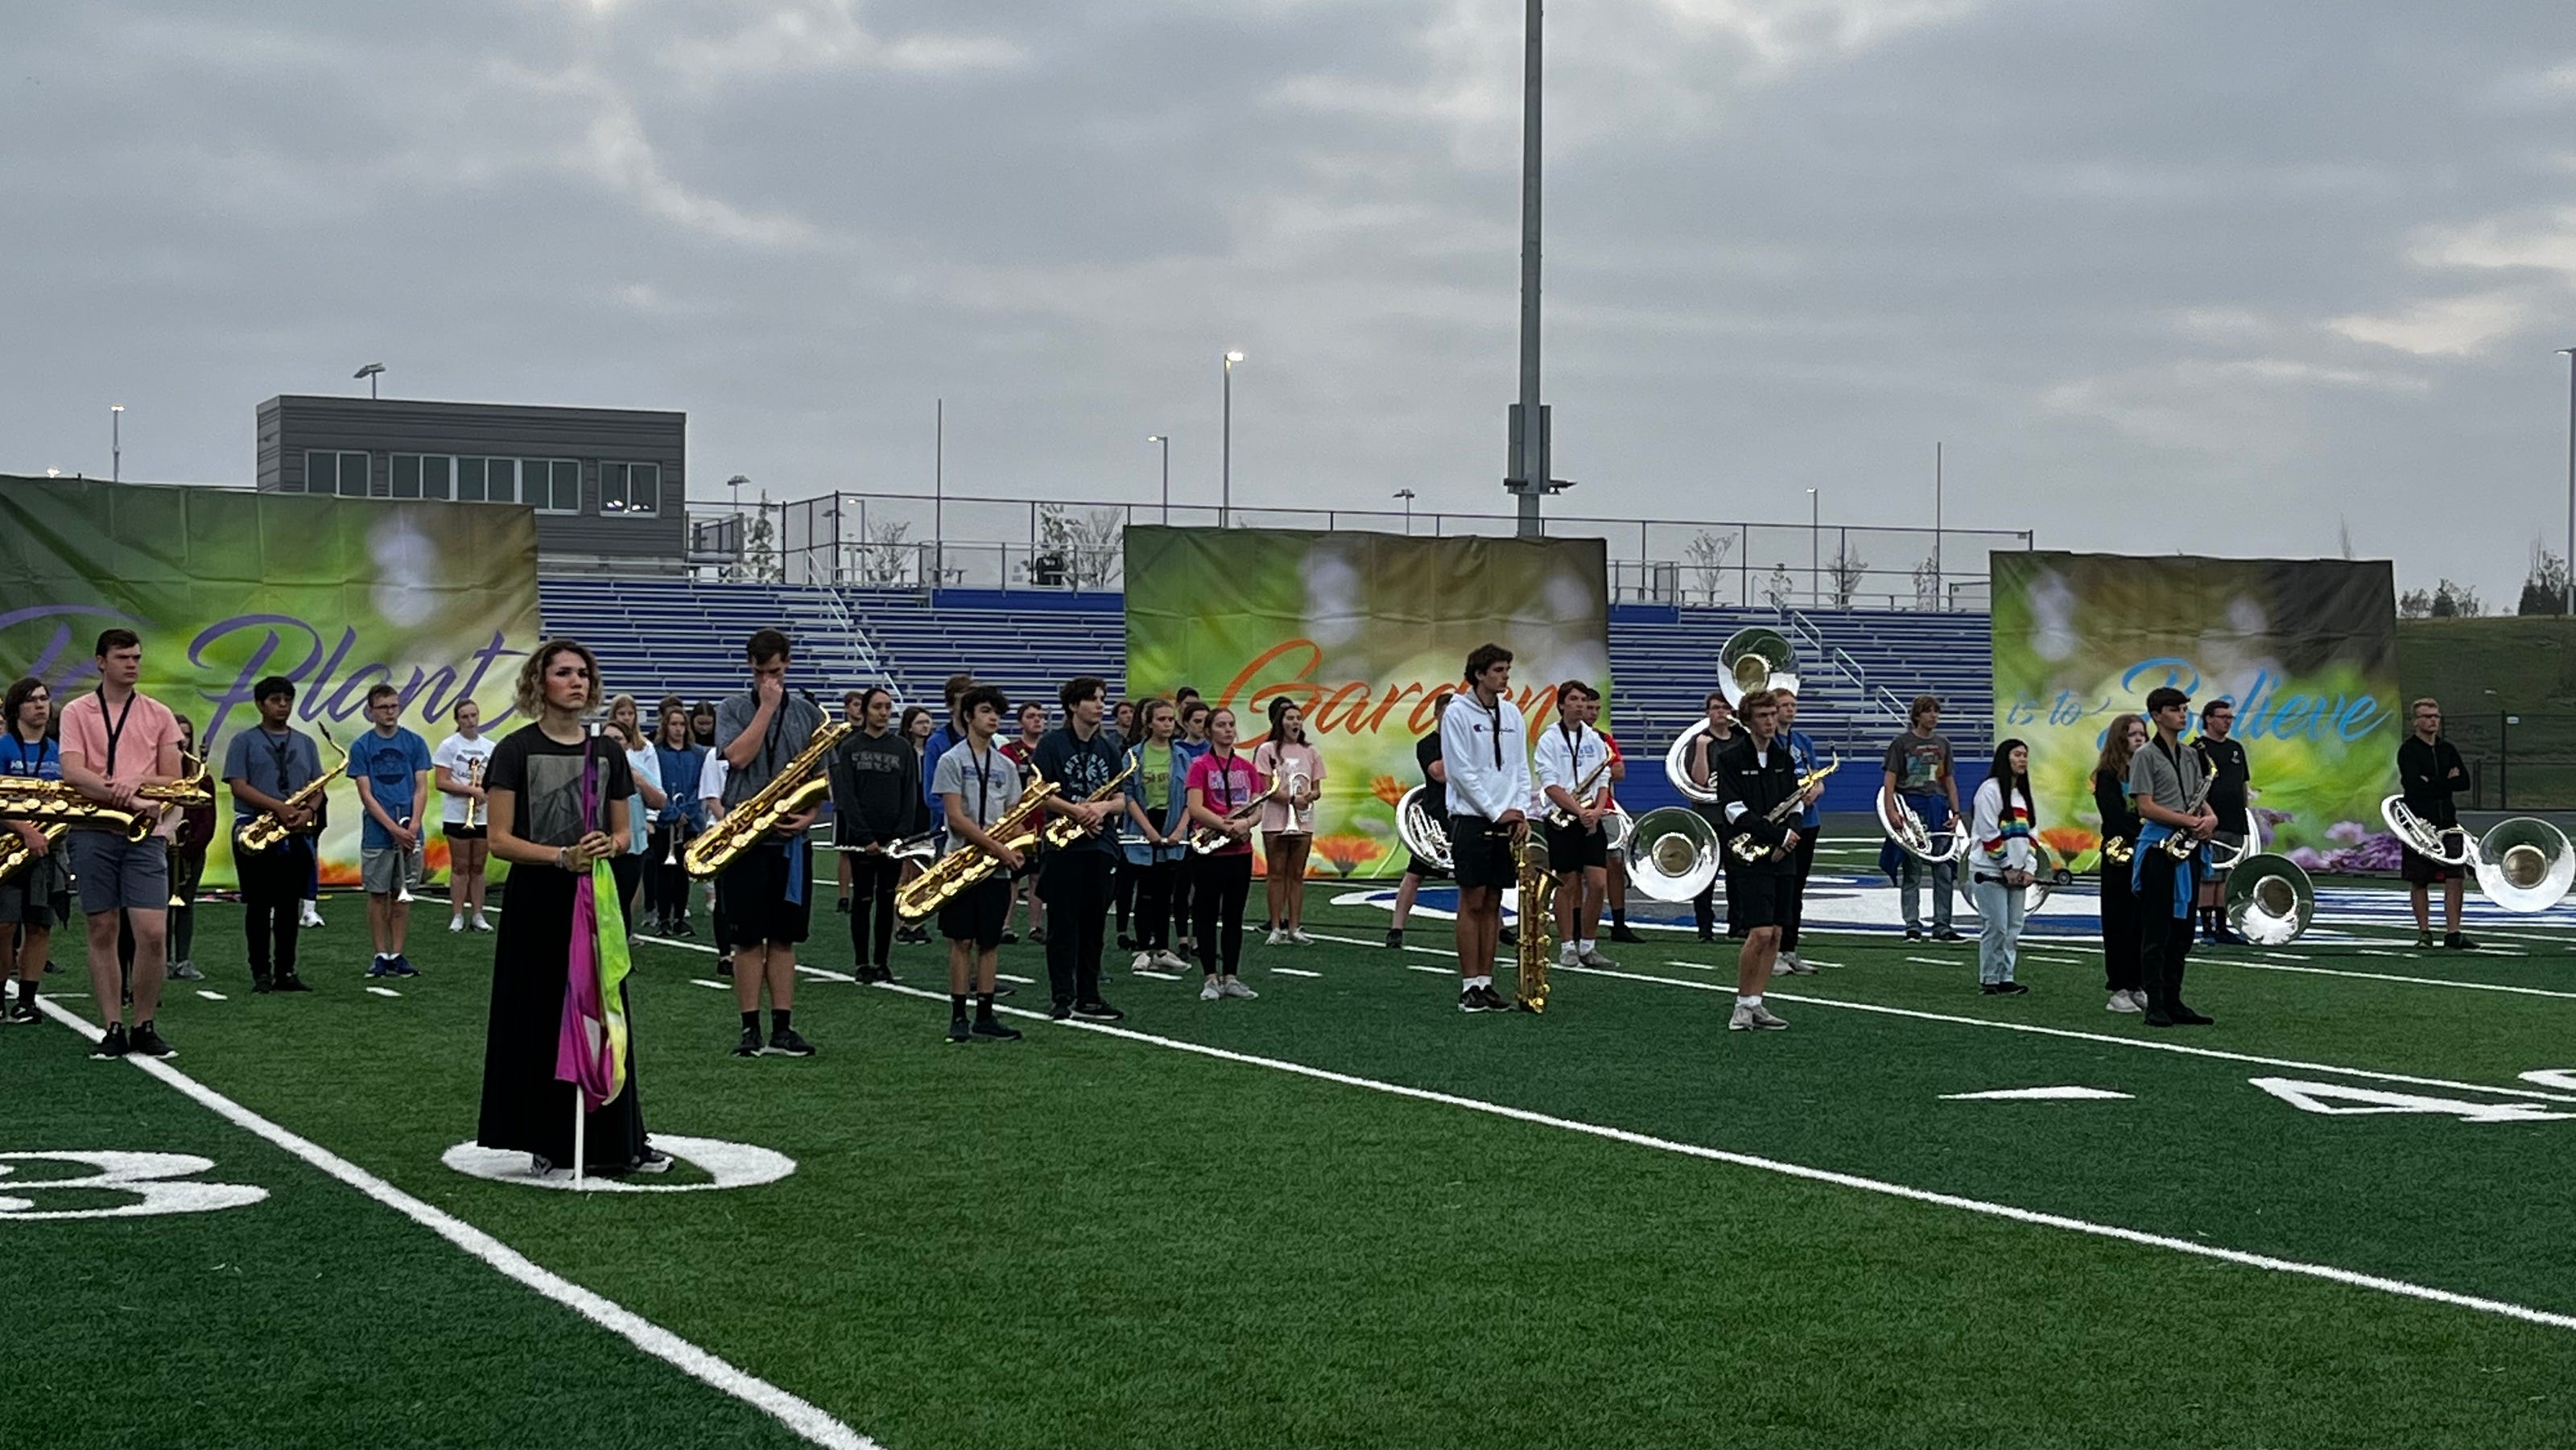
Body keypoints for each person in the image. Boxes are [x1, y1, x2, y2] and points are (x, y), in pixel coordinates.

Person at [477, 638, 663, 1175]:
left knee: (605, 1014)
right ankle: (545, 1136)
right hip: (538, 901)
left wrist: (610, 844)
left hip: (594, 901)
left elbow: (626, 831)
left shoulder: (606, 753)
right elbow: (501, 841)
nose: (576, 681)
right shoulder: (513, 750)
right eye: (563, 672)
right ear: (540, 682)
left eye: (583, 673)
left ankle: (621, 1136)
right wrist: (561, 855)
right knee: (539, 1014)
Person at [56, 628, 186, 1060]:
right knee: (102, 927)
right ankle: (112, 1025)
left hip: (144, 833)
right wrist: (121, 793)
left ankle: (144, 1023)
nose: (132, 664)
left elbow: (175, 779)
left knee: (151, 933)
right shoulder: (77, 711)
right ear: (101, 661)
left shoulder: (158, 713)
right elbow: (72, 771)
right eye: (123, 657)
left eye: (136, 657)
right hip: (93, 830)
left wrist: (140, 782)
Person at [714, 628, 826, 1057]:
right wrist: (766, 708)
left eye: (776, 672)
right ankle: (749, 1028)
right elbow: (738, 756)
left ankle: (783, 1025)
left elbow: (822, 777)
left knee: (784, 937)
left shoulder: (809, 714)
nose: (769, 680)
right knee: (747, 938)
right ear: (751, 668)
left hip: (791, 842)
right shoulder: (733, 708)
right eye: (762, 673)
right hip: (744, 840)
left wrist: (811, 815)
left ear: (788, 664)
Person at [1441, 644, 1532, 1013]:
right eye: (1498, 670)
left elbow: (1520, 769)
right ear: (1479, 673)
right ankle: (1468, 985)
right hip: (1472, 817)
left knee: (1495, 902)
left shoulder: (1512, 713)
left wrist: (1521, 812)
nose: (1505, 676)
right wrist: (1496, 811)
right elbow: (1461, 772)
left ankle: (1487, 982)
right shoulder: (1457, 713)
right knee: (1473, 899)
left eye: (1507, 670)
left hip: (1507, 818)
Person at [932, 685, 1026, 1043]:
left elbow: (1014, 815)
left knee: (990, 941)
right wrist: (999, 848)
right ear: (968, 716)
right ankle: (959, 1014)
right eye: (986, 711)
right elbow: (955, 818)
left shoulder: (1005, 764)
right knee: (961, 940)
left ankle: (985, 1014)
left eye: (997, 713)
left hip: (995, 867)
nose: (993, 718)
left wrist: (1014, 845)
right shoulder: (952, 760)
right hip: (960, 863)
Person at [221, 675, 323, 995]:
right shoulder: (244, 741)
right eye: (276, 700)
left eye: (287, 700)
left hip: (293, 830)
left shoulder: (305, 742)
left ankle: (286, 970)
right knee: (259, 904)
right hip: (256, 829)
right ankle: (260, 971)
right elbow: (238, 785)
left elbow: (316, 786)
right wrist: (277, 807)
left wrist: (307, 812)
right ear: (260, 704)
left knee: (289, 904)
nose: (283, 706)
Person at [1034, 676, 1126, 1021]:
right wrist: (1076, 811)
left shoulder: (1108, 748)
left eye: (1102, 698)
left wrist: (1099, 810)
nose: (1100, 705)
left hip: (1100, 845)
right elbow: (1040, 791)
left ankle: (1089, 994)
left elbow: (1120, 799)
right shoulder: (1052, 744)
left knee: (1093, 925)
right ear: (1074, 706)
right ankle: (1062, 995)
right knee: (1063, 925)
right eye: (1092, 699)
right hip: (1063, 846)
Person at [1714, 689, 1803, 1031]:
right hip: (1748, 852)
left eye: (1773, 714)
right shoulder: (1732, 758)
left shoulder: (1784, 757)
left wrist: (1790, 836)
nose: (1770, 720)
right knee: (1761, 932)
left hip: (1783, 853)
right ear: (1748, 720)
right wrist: (1775, 836)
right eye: (1764, 716)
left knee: (1778, 932)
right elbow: (1734, 810)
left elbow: (1795, 801)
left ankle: (1757, 1002)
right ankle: (1740, 1004)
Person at [2130, 685, 2217, 1027]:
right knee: (2157, 928)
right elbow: (2145, 806)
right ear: (2157, 715)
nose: (2183, 714)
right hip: (2158, 849)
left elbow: (2200, 796)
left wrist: (2210, 818)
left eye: (2184, 708)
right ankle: (2155, 1002)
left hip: (2188, 846)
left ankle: (2174, 998)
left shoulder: (2192, 755)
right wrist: (2189, 821)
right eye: (2176, 709)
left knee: (2182, 930)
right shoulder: (2145, 756)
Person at [828, 686, 916, 983]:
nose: (883, 712)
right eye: (878, 706)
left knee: (887, 899)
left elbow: (909, 793)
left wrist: (900, 835)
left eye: (888, 707)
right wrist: (865, 837)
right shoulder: (851, 747)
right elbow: (847, 796)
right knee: (863, 899)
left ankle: (882, 961)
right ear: (865, 710)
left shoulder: (902, 747)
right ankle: (862, 962)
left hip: (892, 838)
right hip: (862, 838)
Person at [346, 684, 431, 978]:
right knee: (378, 894)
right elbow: (366, 795)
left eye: (394, 706)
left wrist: (415, 823)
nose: (390, 713)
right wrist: (393, 828)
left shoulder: (415, 743)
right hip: (379, 832)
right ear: (371, 712)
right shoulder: (362, 746)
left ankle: (398, 953)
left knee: (402, 894)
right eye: (383, 708)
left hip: (410, 830)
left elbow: (422, 786)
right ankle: (380, 954)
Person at [1533, 680, 1616, 971]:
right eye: (1575, 700)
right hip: (1562, 818)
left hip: (1589, 818)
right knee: (1567, 884)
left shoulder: (1595, 739)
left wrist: (1595, 810)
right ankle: (1568, 946)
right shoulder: (1550, 739)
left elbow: (1605, 780)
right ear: (1562, 705)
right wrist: (1579, 810)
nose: (1580, 705)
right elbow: (1551, 784)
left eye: (1584, 700)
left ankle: (1589, 945)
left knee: (1598, 883)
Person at [1, 677, 69, 1023]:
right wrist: (25, 830)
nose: (40, 705)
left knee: (40, 925)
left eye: (44, 698)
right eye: (31, 700)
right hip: (8, 845)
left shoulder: (61, 750)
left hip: (49, 847)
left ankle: (27, 999)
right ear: (16, 709)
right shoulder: (3, 747)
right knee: (5, 924)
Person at [1184, 706, 1263, 999]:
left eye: (1231, 724)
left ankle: (1231, 976)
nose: (1228, 730)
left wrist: (1246, 823)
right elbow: (1195, 807)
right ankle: (1209, 978)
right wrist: (1224, 825)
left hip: (1240, 852)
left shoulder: (1247, 768)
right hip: (1209, 850)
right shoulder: (1200, 766)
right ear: (1209, 731)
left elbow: (1258, 807)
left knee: (1234, 916)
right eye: (1221, 725)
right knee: (1205, 915)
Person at [1881, 694, 1964, 943]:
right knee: (1912, 868)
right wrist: (1891, 812)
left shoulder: (1943, 744)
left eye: (1936, 712)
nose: (1933, 716)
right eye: (1928, 712)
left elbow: (1948, 780)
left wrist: (1956, 812)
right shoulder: (1902, 743)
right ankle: (1912, 924)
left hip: (1937, 806)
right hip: (1911, 806)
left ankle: (1942, 925)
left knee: (1944, 868)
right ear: (1917, 715)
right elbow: (1890, 780)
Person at [2396, 696, 2475, 950]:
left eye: (2436, 716)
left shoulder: (2447, 749)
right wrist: (2444, 781)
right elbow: (2414, 786)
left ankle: (2454, 932)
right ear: (2416, 721)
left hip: (2448, 823)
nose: (2433, 720)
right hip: (2418, 824)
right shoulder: (2408, 751)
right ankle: (2425, 932)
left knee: (2455, 876)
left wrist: (2433, 781)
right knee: (2419, 879)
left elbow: (2464, 782)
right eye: (2427, 716)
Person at [1122, 698, 1191, 972]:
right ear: (1148, 723)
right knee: (1145, 891)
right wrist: (1148, 829)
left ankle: (1162, 947)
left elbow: (1191, 797)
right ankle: (1142, 948)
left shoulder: (1182, 756)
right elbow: (1127, 795)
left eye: (1170, 720)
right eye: (1161, 719)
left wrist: (1179, 829)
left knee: (1166, 891)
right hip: (1144, 824)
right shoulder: (1134, 755)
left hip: (1172, 823)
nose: (1167, 724)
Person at [1968, 738, 2038, 996]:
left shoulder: (2022, 795)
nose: (2023, 760)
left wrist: (2028, 867)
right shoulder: (1989, 790)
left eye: (2025, 755)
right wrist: (2006, 866)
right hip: (1989, 871)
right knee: (1996, 925)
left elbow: (2032, 835)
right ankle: (1989, 977)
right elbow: (1988, 833)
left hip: (2017, 873)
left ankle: (2006, 976)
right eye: (2017, 754)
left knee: (2013, 927)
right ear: (2004, 758)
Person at [1253, 698, 1323, 944]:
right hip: (1275, 820)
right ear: (1279, 722)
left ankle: (1294, 926)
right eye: (1289, 718)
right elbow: (1267, 789)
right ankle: (1275, 926)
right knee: (1276, 874)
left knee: (1296, 874)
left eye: (1298, 718)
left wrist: (1308, 797)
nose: (1295, 722)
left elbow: (1317, 788)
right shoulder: (1267, 750)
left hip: (1303, 821)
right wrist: (1293, 798)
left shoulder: (1310, 751)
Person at [1387, 692, 1451, 949]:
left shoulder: (1471, 744)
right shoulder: (1427, 744)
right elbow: (1439, 773)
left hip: (1466, 816)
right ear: (1437, 715)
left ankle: (1499, 928)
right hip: (1437, 817)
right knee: (1415, 874)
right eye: (1447, 714)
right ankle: (1396, 928)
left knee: (1477, 878)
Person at [2092, 713, 2147, 1013]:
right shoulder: (2107, 775)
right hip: (2120, 853)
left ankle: (2138, 983)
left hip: (2146, 852)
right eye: (2132, 734)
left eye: (2142, 733)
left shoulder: (2151, 772)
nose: (2139, 738)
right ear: (2119, 739)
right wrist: (2145, 832)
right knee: (2118, 921)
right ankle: (2119, 987)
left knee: (2142, 922)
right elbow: (2113, 816)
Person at [433, 699, 497, 935]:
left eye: (473, 715)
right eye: (465, 717)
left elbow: (495, 780)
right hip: (457, 813)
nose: (471, 721)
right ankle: (458, 914)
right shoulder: (449, 746)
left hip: (482, 814)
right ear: (458, 720)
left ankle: (478, 914)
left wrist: (485, 792)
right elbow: (441, 781)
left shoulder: (490, 747)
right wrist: (470, 790)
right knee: (460, 866)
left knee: (478, 866)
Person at [2192, 699, 2252, 946]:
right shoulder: (2197, 748)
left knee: (2228, 875)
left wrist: (2246, 811)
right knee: (2210, 874)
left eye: (2230, 717)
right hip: (2209, 822)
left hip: (2234, 821)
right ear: (2209, 719)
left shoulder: (2236, 749)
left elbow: (2243, 783)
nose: (2227, 721)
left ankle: (2223, 925)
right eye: (2223, 716)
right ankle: (2207, 927)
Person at [1773, 688, 1823, 973]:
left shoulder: (1803, 741)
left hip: (1808, 821)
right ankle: (1775, 950)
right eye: (1784, 705)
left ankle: (1790, 949)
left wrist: (1813, 793)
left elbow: (1817, 780)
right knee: (1783, 888)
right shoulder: (1770, 743)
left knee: (1798, 889)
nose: (1790, 710)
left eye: (1793, 705)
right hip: (1782, 823)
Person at [1685, 692, 1741, 942]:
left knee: (1739, 875)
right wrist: (1701, 748)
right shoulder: (1698, 741)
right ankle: (1704, 928)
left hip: (1737, 817)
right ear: (1707, 712)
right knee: (1705, 877)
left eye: (1725, 707)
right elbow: (1699, 781)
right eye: (1715, 708)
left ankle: (1737, 926)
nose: (1720, 712)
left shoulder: (1742, 740)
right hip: (1707, 816)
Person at [646, 704, 706, 936]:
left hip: (689, 823)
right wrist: (671, 812)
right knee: (663, 871)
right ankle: (663, 918)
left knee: (683, 872)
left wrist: (687, 813)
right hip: (664, 821)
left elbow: (699, 786)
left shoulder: (697, 753)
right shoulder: (657, 752)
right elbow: (654, 784)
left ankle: (680, 917)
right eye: (674, 724)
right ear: (665, 726)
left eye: (682, 724)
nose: (678, 729)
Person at [165, 713, 215, 983]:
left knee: (185, 903)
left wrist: (190, 847)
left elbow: (208, 817)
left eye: (186, 735)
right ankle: (162, 960)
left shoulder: (200, 776)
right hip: (163, 848)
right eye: (177, 734)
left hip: (191, 852)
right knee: (161, 907)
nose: (182, 740)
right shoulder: (159, 773)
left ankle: (183, 960)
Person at [608, 719, 667, 926]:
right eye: (608, 739)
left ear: (628, 743)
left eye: (618, 738)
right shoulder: (590, 769)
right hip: (601, 847)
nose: (613, 743)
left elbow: (660, 801)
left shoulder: (636, 768)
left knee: (622, 904)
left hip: (631, 848)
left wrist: (640, 781)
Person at [1594, 702, 1644, 945]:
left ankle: (1619, 922)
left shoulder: (1603, 739)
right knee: (1573, 871)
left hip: (1605, 807)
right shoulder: (1559, 737)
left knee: (1615, 862)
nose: (1591, 712)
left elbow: (1620, 770)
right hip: (1572, 808)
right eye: (1586, 706)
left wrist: (1591, 772)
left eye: (1595, 708)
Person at [1001, 700, 1051, 946]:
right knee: (1012, 876)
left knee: (1037, 876)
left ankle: (1035, 926)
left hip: (1043, 822)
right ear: (1021, 721)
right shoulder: (1010, 752)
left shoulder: (1049, 749)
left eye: (1041, 716)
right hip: (1016, 822)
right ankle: (1005, 925)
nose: (1037, 720)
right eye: (1032, 716)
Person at [1171, 698, 1213, 959]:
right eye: (1197, 721)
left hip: (1208, 823)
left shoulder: (1213, 750)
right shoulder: (1177, 749)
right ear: (1185, 723)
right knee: (1182, 883)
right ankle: (1182, 938)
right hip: (1183, 821)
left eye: (1205, 722)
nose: (1202, 726)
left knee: (1204, 885)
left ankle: (1199, 937)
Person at [894, 704, 937, 944]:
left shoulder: (933, 751)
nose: (925, 726)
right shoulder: (903, 751)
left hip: (926, 813)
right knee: (905, 871)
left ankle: (918, 922)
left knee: (924, 871)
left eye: (928, 722)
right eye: (920, 722)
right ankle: (902, 922)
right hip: (908, 813)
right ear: (909, 726)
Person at [834, 688, 868, 915]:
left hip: (866, 798)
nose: (859, 709)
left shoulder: (869, 733)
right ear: (847, 707)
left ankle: (862, 892)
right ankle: (844, 896)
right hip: (845, 799)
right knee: (845, 849)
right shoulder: (840, 734)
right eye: (855, 704)